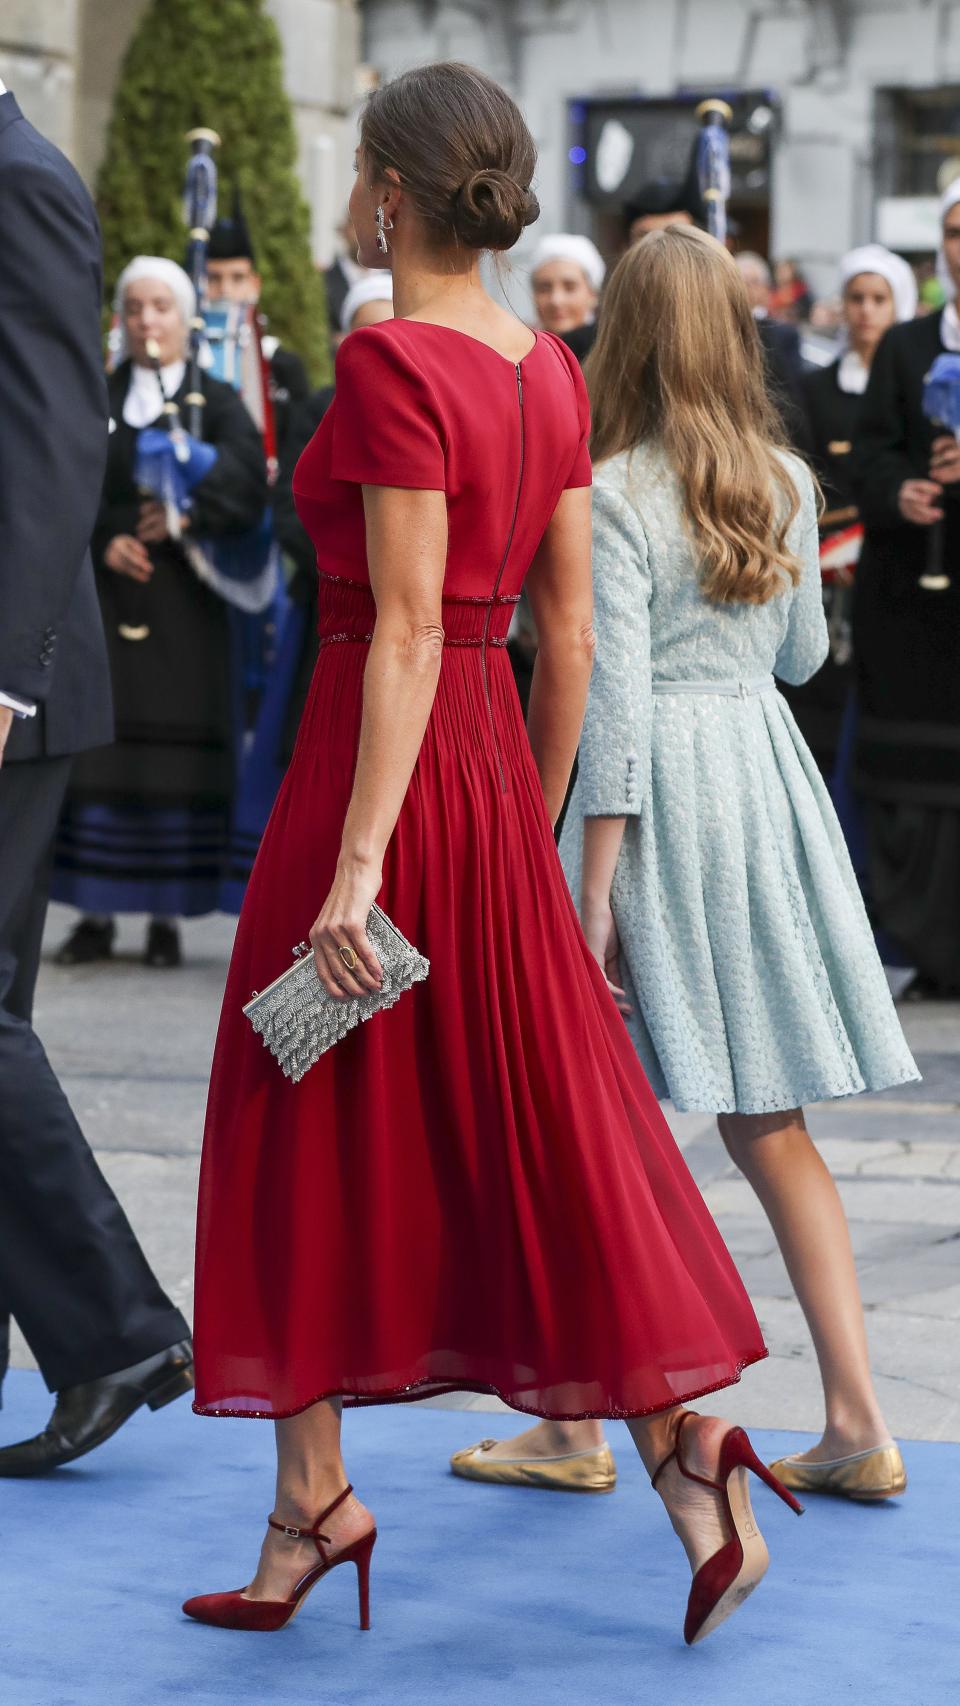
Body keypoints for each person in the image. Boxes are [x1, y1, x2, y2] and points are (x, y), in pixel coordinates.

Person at [183, 63, 797, 1649]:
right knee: (532, 1120)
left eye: (358, 175)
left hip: (366, 771)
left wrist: (362, 861)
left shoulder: (394, 359)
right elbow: (571, 636)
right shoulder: (548, 369)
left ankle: (311, 1504)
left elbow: (395, 625)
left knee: (286, 1106)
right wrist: (514, 834)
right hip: (488, 782)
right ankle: (684, 1449)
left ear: (393, 190)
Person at [452, 226, 917, 1508]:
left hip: (651, 808)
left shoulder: (607, 491)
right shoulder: (783, 474)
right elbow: (806, 660)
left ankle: (576, 1422)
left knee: (586, 1125)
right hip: (764, 789)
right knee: (773, 1120)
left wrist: (587, 893)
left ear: (625, 340)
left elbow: (607, 702)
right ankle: (859, 1417)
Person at [0, 84, 193, 1477]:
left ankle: (121, 1326)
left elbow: (56, 443)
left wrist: (6, 669)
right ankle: (98, 1331)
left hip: (12, 676)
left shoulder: (24, 179)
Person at [51, 258, 268, 969]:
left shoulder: (219, 401)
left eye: (161, 308)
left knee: (176, 768)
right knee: (99, 756)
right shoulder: (95, 396)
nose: (147, 321)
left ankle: (166, 918)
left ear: (184, 319)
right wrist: (107, 536)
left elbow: (246, 487)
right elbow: (63, 482)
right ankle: (93, 913)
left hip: (186, 616)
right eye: (135, 308)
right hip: (108, 607)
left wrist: (188, 515)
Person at [851, 185, 960, 1000]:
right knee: (914, 790)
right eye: (955, 234)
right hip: (914, 609)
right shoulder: (906, 346)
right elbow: (871, 454)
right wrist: (902, 493)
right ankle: (925, 942)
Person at [785, 245, 917, 776]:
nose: (865, 310)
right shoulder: (816, 389)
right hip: (831, 559)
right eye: (856, 298)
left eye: (878, 299)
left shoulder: (917, 386)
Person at [205, 196, 310, 458]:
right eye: (213, 278)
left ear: (255, 284)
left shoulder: (282, 365)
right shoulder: (182, 357)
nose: (225, 290)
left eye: (237, 278)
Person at [736, 251, 809, 447]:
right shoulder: (717, 329)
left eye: (754, 282)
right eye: (740, 281)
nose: (747, 288)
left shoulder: (782, 333)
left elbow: (790, 389)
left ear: (765, 288)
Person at [528, 233, 605, 361]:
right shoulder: (519, 350)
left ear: (592, 294)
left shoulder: (607, 353)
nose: (556, 300)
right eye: (544, 288)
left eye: (570, 287)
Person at [770, 258, 813, 324]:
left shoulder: (801, 292)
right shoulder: (772, 290)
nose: (781, 274)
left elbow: (806, 312)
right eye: (779, 270)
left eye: (785, 271)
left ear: (792, 272)